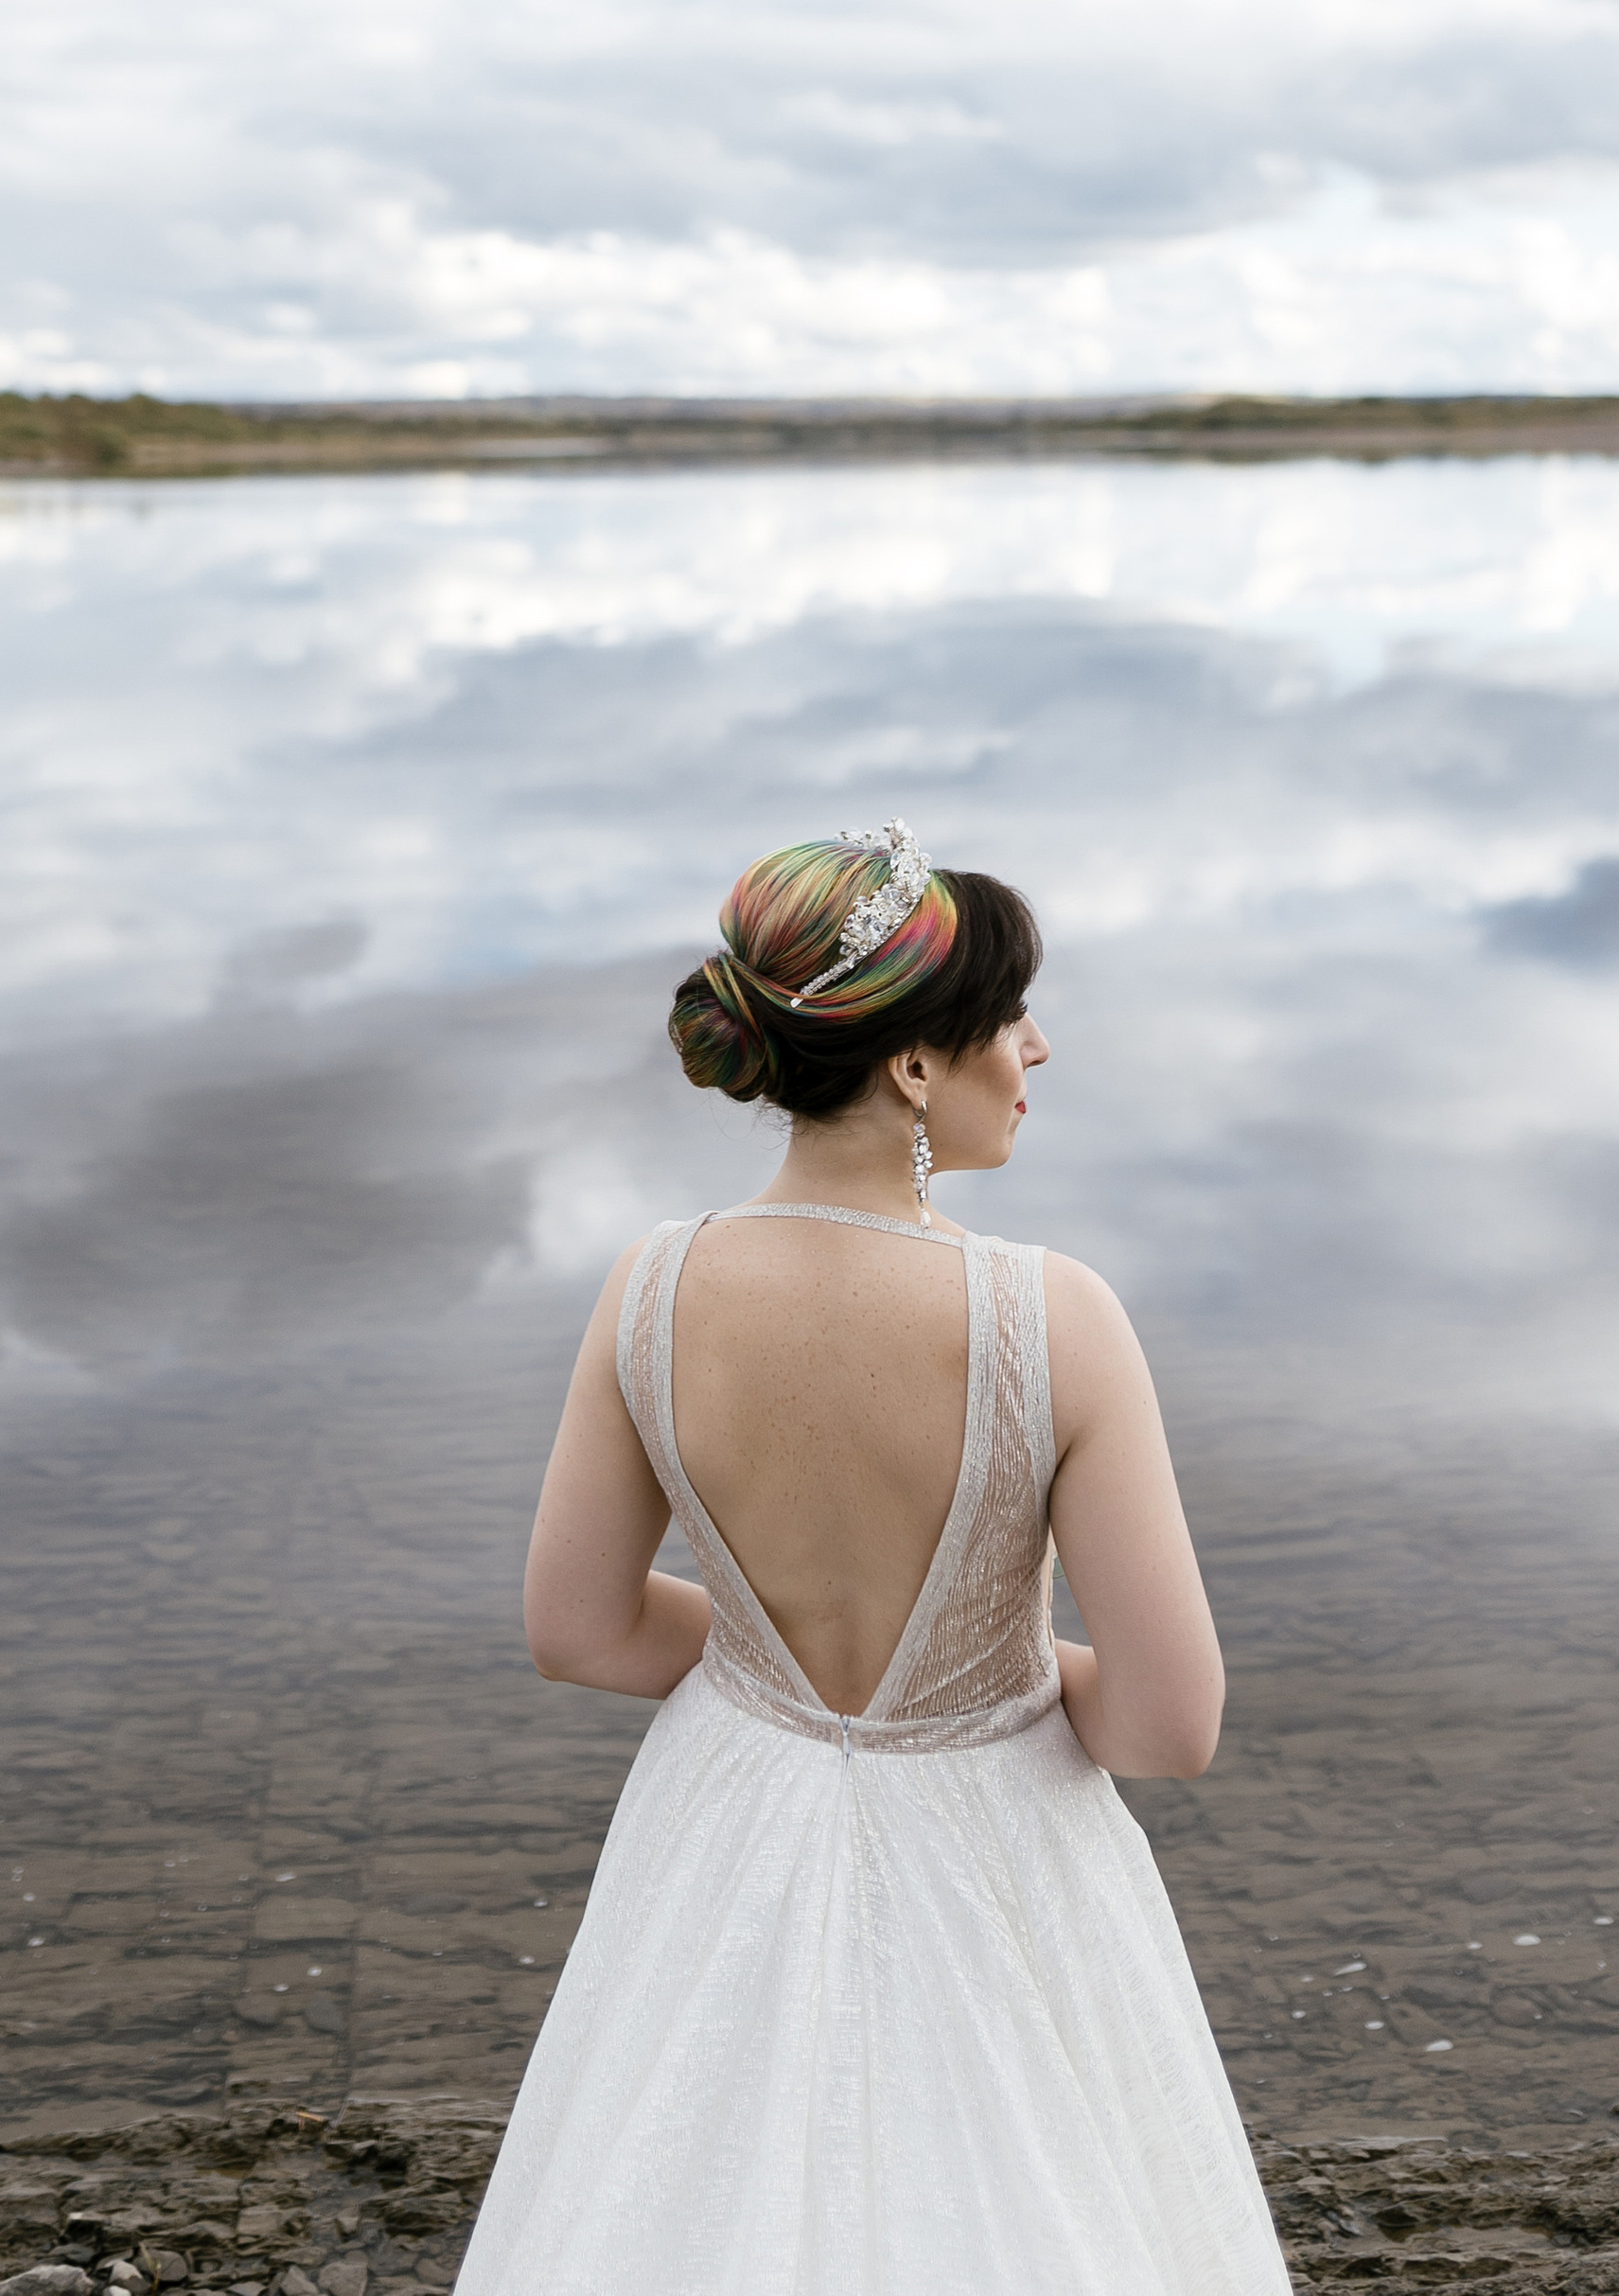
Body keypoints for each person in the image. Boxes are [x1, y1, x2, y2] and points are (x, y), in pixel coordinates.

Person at [452, 825, 1291, 2295]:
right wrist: (997, 1667)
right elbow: (1168, 1728)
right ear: (913, 1066)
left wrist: (770, 1662)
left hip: (731, 1814)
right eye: (1009, 1018)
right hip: (994, 1835)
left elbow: (577, 1630)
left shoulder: (651, 1285)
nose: (1040, 1046)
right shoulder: (1051, 1318)